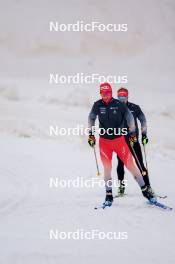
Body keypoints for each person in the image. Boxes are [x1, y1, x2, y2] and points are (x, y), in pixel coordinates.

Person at [88, 82, 155, 206]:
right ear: (100, 93)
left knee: (132, 166)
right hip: (104, 142)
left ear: (111, 93)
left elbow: (129, 117)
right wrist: (91, 134)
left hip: (119, 141)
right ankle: (109, 195)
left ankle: (146, 190)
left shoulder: (118, 104)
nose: (105, 95)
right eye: (103, 93)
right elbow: (91, 118)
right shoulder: (97, 105)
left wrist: (133, 132)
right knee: (107, 168)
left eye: (107, 93)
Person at [116, 87, 152, 196]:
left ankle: (148, 187)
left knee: (140, 164)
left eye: (124, 97)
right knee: (120, 164)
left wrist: (144, 134)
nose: (122, 99)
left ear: (127, 97)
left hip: (133, 140)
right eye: (120, 97)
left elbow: (143, 120)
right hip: (121, 142)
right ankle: (121, 188)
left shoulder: (134, 108)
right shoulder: (114, 109)